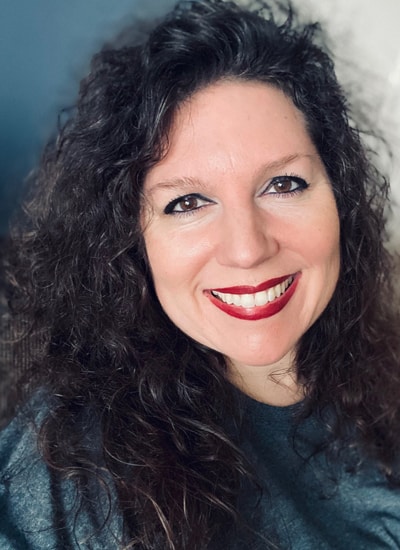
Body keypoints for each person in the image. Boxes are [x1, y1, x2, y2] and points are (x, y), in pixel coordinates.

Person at [1, 0, 400, 548]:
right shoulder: (70, 461)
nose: (247, 249)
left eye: (283, 185)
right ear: (129, 240)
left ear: (340, 196)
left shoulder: (380, 379)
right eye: (187, 202)